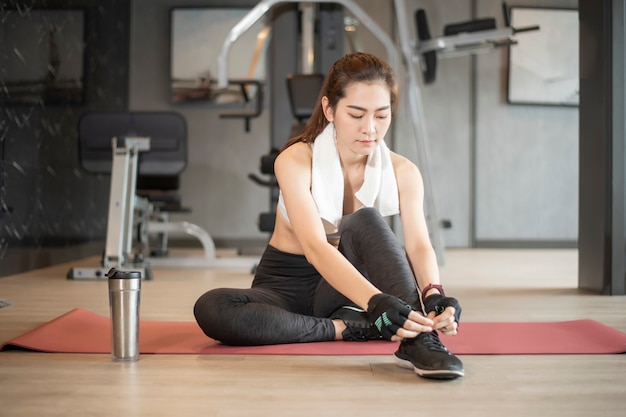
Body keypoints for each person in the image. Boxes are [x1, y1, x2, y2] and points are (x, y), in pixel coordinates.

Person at [194, 52, 464, 380]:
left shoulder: (403, 171)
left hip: (345, 287)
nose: (370, 129)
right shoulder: (295, 160)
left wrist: (433, 294)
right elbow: (315, 247)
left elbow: (419, 245)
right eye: (356, 114)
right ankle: (351, 327)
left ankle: (420, 339)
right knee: (212, 308)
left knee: (366, 220)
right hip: (284, 287)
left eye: (381, 115)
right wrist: (376, 302)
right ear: (329, 109)